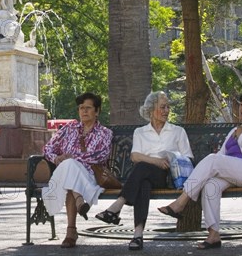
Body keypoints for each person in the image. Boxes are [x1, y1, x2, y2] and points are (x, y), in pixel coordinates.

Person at [158, 91, 242, 250]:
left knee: (213, 159)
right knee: (210, 185)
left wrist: (241, 134)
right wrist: (238, 132)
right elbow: (222, 156)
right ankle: (213, 235)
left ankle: (181, 202)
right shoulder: (234, 130)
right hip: (234, 172)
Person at [95, 91, 193, 251]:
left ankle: (116, 207)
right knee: (144, 183)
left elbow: (188, 158)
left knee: (142, 168)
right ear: (150, 109)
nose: (167, 110)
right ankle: (138, 235)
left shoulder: (177, 131)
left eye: (168, 107)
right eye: (162, 107)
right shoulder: (140, 132)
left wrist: (171, 159)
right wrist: (156, 161)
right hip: (145, 175)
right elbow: (134, 156)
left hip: (167, 176)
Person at [42, 92, 113, 248]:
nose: (84, 111)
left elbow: (100, 156)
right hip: (66, 173)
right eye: (81, 108)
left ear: (97, 111)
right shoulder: (69, 128)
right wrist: (56, 158)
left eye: (88, 108)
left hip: (89, 175)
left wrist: (71, 159)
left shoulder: (105, 133)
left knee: (70, 168)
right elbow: (48, 148)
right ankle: (79, 200)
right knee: (69, 168)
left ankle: (71, 231)